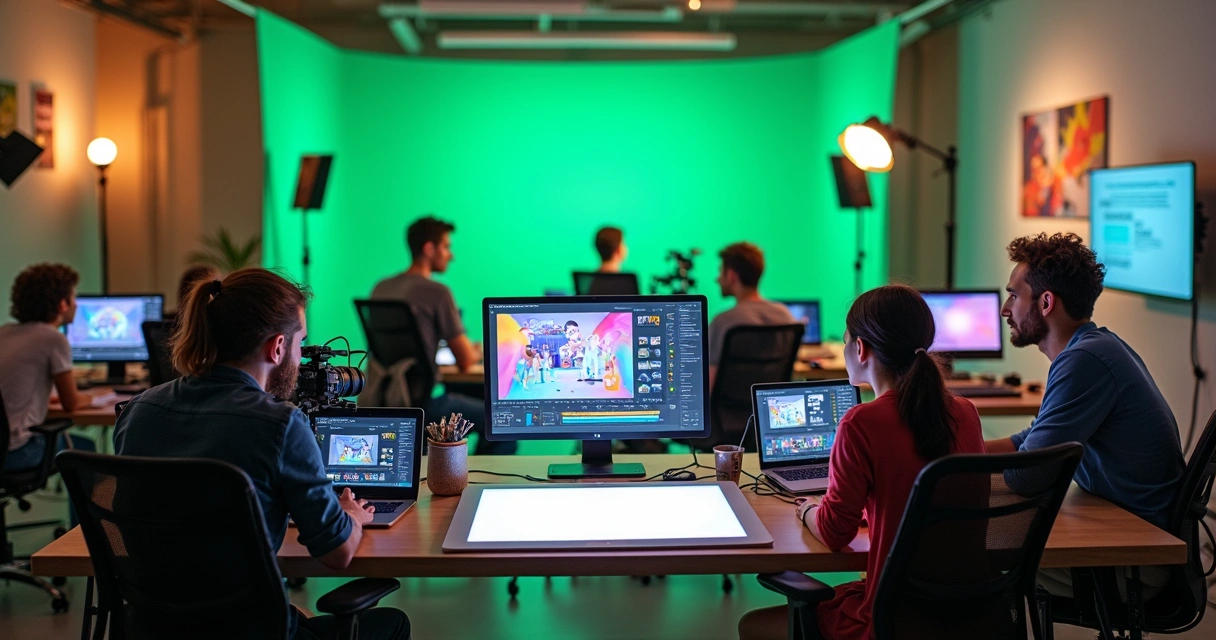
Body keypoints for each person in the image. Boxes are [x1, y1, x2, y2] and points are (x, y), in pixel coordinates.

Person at [113, 269, 409, 640]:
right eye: (301, 344)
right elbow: (337, 553)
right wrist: (352, 516)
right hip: (246, 630)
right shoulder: (281, 425)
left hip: (150, 628)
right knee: (393, 624)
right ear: (278, 347)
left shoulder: (137, 411)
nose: (302, 358)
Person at [738, 285, 985, 640]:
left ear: (860, 348)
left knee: (752, 625)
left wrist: (808, 509)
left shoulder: (861, 423)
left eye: (844, 340)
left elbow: (837, 533)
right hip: (961, 614)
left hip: (891, 619)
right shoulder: (965, 412)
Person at [986, 232, 1184, 599]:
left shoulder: (1084, 361)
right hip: (1126, 528)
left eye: (1014, 295)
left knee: (963, 547)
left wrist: (953, 472)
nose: (1004, 309)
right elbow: (1031, 441)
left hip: (1139, 558)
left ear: (1046, 302)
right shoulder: (1094, 347)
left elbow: (1026, 476)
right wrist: (955, 450)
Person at [371, 216, 515, 454]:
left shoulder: (381, 287)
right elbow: (465, 361)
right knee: (502, 420)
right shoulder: (437, 292)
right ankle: (477, 480)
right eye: (447, 247)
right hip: (426, 404)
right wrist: (475, 349)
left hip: (387, 398)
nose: (452, 255)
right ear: (429, 248)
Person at [0, 264, 96, 471]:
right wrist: (94, 397)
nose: (76, 305)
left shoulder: (4, 333)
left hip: (4, 449)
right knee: (85, 451)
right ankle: (95, 505)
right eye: (73, 298)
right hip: (18, 452)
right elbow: (72, 404)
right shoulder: (52, 338)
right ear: (63, 304)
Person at [707, 242, 795, 390]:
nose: (717, 279)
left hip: (726, 411)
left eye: (720, 271)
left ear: (731, 276)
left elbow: (709, 385)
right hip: (768, 408)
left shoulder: (722, 322)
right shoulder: (784, 315)